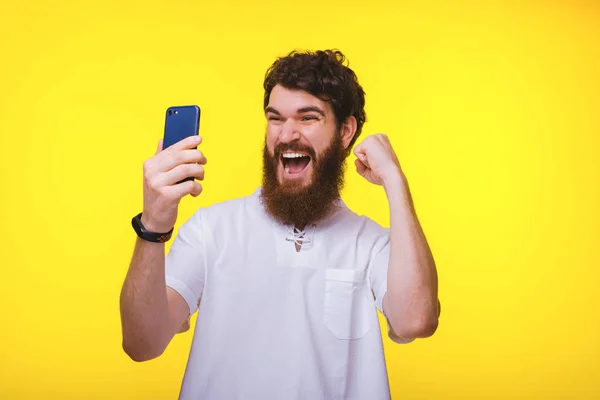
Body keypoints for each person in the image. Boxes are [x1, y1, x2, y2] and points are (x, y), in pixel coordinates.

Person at [120, 49, 441, 400]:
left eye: (308, 118)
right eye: (275, 118)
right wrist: (153, 224)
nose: (287, 134)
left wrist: (395, 179)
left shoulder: (371, 244)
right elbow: (142, 343)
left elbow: (415, 320)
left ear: (345, 131)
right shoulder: (211, 230)